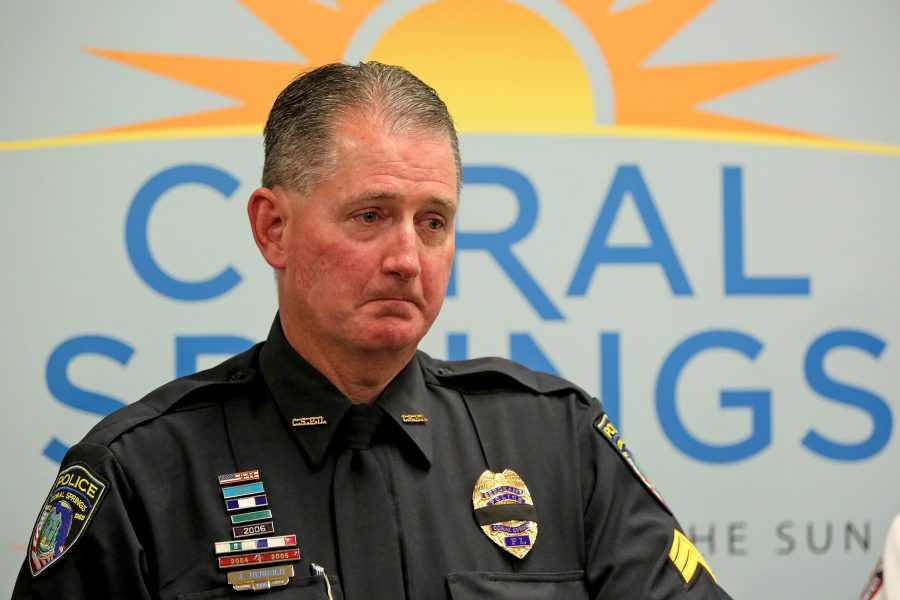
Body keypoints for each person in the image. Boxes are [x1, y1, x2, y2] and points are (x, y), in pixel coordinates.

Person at [13, 62, 732, 599]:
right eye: (370, 216)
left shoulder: (557, 443)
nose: (405, 260)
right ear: (274, 227)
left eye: (433, 222)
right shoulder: (141, 473)